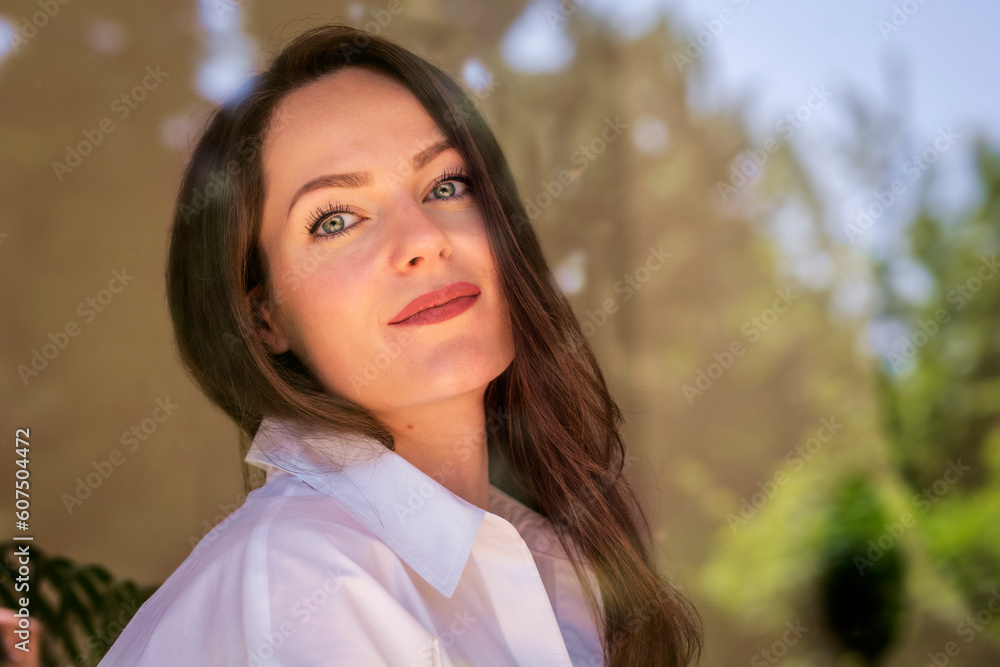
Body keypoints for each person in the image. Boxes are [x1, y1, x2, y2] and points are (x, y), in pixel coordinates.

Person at [99, 23, 702, 667]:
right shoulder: (306, 580)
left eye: (446, 186)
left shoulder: (557, 567)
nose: (424, 240)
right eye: (336, 220)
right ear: (263, 316)